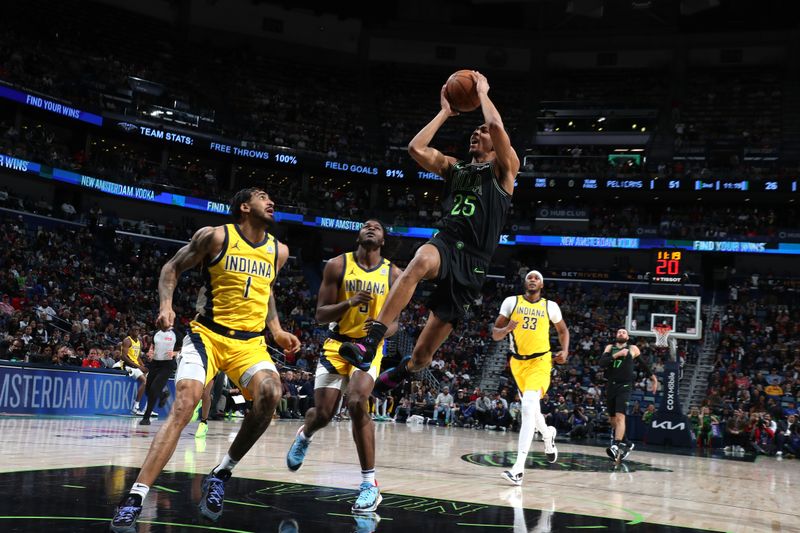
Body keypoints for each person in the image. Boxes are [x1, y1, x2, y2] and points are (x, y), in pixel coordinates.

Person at [110, 187, 300, 532]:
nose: (270, 201)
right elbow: (172, 267)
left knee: (272, 393)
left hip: (250, 344)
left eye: (272, 197)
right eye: (261, 196)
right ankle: (135, 497)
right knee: (184, 404)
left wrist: (277, 328)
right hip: (207, 336)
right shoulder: (215, 237)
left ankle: (222, 472)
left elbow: (266, 287)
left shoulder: (279, 251)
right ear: (244, 206)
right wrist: (166, 306)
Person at [336, 71, 520, 396]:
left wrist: (482, 92)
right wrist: (446, 112)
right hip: (446, 242)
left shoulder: (504, 170)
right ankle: (371, 340)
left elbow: (496, 127)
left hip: (473, 263)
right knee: (420, 259)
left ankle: (404, 370)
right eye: (474, 131)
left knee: (423, 356)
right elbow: (415, 148)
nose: (476, 134)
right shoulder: (455, 167)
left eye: (481, 132)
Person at [285, 219, 400, 514]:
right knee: (322, 414)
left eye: (377, 226)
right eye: (366, 225)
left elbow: (396, 324)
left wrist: (382, 330)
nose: (372, 227)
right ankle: (305, 435)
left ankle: (369, 485)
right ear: (358, 235)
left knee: (357, 401)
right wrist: (349, 303)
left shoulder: (393, 273)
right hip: (336, 345)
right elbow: (321, 315)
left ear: (383, 240)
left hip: (367, 348)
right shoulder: (337, 265)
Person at [493, 270, 569, 486]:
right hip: (518, 364)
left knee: (527, 406)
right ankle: (548, 435)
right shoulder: (511, 302)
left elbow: (563, 331)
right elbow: (495, 334)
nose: (533, 279)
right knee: (533, 410)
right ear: (524, 282)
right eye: (530, 277)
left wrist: (564, 351)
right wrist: (507, 328)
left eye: (537, 278)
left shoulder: (550, 306)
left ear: (542, 284)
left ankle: (518, 470)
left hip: (541, 361)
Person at [599, 328, 658, 462]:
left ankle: (616, 445)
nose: (621, 333)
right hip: (611, 385)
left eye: (623, 332)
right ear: (616, 335)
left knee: (620, 417)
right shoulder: (610, 347)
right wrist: (617, 354)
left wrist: (653, 378)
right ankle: (628, 443)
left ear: (627, 336)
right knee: (612, 420)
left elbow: (644, 365)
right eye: (619, 332)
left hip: (625, 385)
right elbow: (602, 363)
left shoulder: (633, 348)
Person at [140, 326, 178, 425]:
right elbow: (153, 345)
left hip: (167, 365)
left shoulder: (177, 333)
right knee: (148, 390)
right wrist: (151, 352)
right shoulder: (157, 332)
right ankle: (163, 395)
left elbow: (184, 349)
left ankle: (146, 418)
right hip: (155, 363)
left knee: (154, 389)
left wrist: (174, 353)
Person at [118, 325, 148, 415]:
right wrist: (138, 367)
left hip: (136, 366)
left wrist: (143, 366)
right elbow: (123, 357)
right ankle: (136, 407)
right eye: (134, 329)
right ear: (130, 331)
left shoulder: (139, 342)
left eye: (137, 330)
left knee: (151, 381)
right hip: (128, 366)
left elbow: (137, 357)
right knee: (145, 381)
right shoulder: (127, 341)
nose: (136, 331)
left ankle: (147, 408)